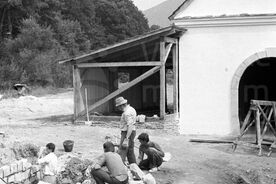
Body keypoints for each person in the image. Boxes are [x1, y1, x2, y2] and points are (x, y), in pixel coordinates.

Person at [115, 96, 137, 164]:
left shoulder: (126, 113)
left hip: (127, 132)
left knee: (122, 149)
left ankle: (120, 166)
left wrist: (126, 138)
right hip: (132, 131)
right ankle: (133, 165)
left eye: (118, 107)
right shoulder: (131, 109)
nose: (118, 108)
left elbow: (130, 125)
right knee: (130, 150)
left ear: (121, 106)